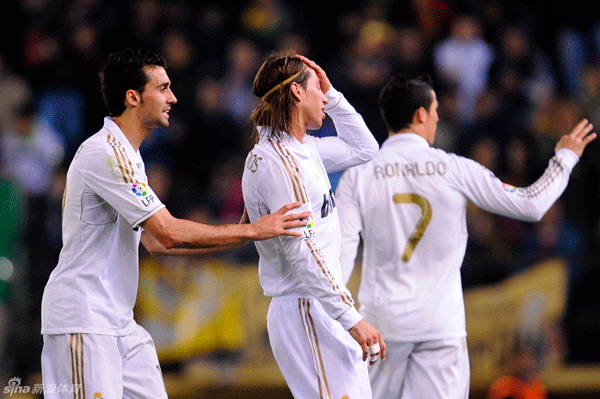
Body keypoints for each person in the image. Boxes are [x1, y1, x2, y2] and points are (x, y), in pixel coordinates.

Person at [40, 48, 310, 399]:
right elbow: (165, 234)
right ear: (133, 97)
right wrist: (253, 230)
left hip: (117, 321)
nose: (173, 97)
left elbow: (154, 244)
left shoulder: (128, 155)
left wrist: (243, 236)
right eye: (163, 88)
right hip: (83, 320)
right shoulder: (106, 154)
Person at [335, 73, 595, 399]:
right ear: (420, 115)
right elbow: (531, 204)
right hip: (439, 326)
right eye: (435, 110)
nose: (438, 117)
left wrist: (342, 318)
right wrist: (565, 158)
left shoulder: (358, 177)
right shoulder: (454, 168)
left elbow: (340, 261)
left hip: (381, 327)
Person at [241, 52, 385, 398]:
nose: (325, 96)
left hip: (320, 302)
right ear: (296, 92)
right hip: (306, 304)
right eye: (318, 89)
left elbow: (366, 148)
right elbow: (302, 250)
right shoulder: (280, 162)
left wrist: (334, 97)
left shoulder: (305, 151)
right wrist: (351, 318)